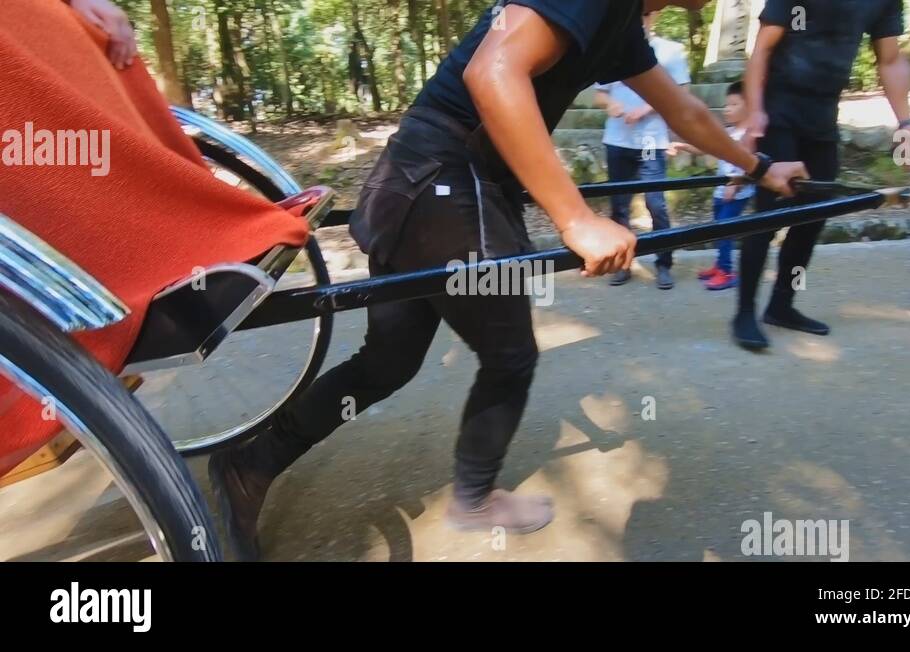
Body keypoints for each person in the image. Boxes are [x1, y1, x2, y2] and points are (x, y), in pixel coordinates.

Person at [209, 0, 807, 561]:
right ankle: (475, 499)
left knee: (388, 362)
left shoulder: (621, 22)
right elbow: (492, 71)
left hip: (415, 185)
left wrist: (758, 167)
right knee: (509, 353)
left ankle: (250, 463)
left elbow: (684, 111)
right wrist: (575, 218)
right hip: (443, 186)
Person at [734, 0, 910, 350]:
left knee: (814, 217)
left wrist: (906, 122)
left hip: (823, 117)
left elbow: (890, 60)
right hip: (779, 112)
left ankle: (782, 305)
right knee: (768, 216)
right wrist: (755, 113)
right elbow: (762, 48)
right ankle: (744, 312)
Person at [593, 11, 691, 289]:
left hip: (650, 141)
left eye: (645, 15)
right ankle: (623, 264)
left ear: (654, 17)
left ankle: (663, 264)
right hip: (617, 140)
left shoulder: (669, 52)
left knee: (655, 203)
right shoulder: (612, 49)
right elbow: (601, 94)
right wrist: (609, 105)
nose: (640, 20)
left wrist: (647, 108)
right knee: (619, 205)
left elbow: (683, 94)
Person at [677, 81, 755, 291]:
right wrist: (684, 146)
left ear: (749, 106)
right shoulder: (728, 131)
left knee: (724, 230)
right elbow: (705, 148)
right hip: (721, 190)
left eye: (733, 105)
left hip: (736, 193)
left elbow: (749, 162)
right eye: (726, 105)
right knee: (717, 229)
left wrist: (736, 183)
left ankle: (727, 272)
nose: (727, 109)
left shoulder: (749, 135)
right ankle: (719, 266)